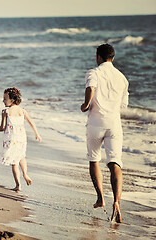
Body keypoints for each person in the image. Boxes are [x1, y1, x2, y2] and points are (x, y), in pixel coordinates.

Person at [80, 43, 129, 223]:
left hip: (95, 123)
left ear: (98, 57)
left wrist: (86, 105)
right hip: (114, 124)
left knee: (94, 160)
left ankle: (101, 198)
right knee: (115, 163)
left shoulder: (94, 72)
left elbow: (90, 87)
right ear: (113, 58)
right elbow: (124, 105)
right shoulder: (122, 78)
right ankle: (117, 201)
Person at [0, 87, 41, 192]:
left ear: (12, 100)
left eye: (5, 98)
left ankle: (18, 185)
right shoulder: (22, 111)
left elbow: (2, 128)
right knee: (22, 157)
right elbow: (31, 122)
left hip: (11, 139)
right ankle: (25, 174)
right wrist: (37, 133)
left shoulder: (6, 111)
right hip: (21, 138)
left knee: (14, 162)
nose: (3, 100)